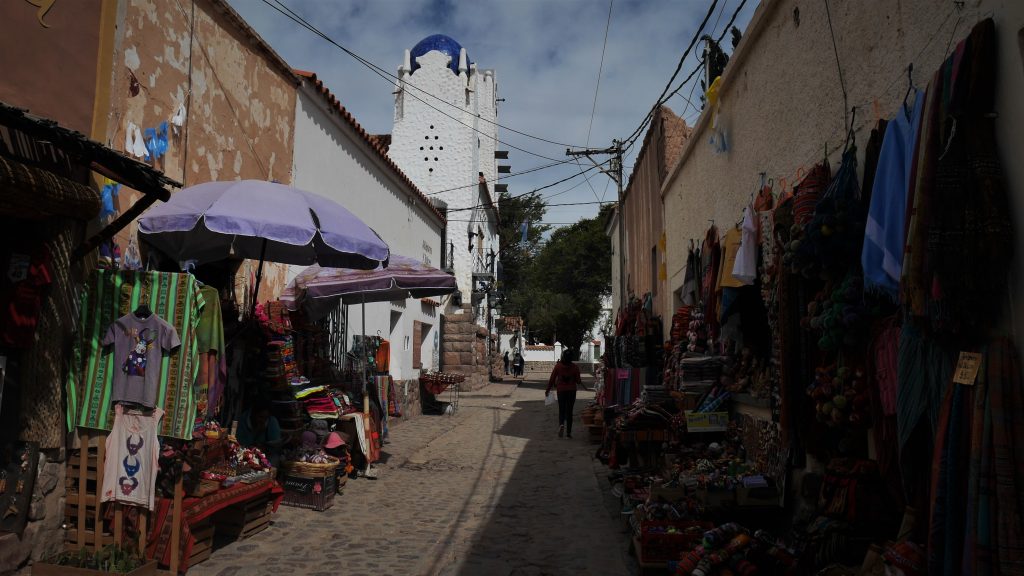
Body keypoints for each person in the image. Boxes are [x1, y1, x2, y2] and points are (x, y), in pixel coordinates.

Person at [236, 398, 285, 465]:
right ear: (253, 415)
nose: (263, 420)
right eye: (260, 417)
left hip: (266, 456)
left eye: (265, 418)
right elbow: (239, 445)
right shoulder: (242, 421)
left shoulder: (271, 421)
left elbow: (276, 446)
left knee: (274, 459)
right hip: (247, 455)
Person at [546, 349, 582, 438]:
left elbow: (552, 379)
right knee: (569, 411)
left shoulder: (558, 366)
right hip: (572, 391)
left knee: (561, 409)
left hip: (561, 391)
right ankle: (569, 433)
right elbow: (578, 381)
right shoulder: (575, 367)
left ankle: (561, 424)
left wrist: (548, 390)